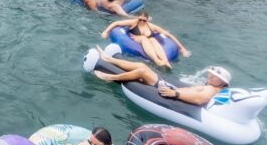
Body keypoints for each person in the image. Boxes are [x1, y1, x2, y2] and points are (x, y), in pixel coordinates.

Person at [93, 46, 231, 105]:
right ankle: (110, 59)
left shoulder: (211, 90)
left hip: (169, 92)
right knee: (142, 66)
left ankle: (109, 77)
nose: (210, 77)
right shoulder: (213, 87)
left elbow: (200, 100)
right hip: (171, 88)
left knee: (142, 71)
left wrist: (175, 94)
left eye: (214, 77)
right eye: (210, 74)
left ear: (222, 82)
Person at [101, 11, 190, 68]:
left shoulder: (151, 26)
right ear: (138, 18)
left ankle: (165, 61)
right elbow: (116, 23)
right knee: (144, 38)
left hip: (149, 42)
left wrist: (182, 48)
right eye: (140, 19)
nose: (142, 22)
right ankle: (157, 61)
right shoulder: (133, 23)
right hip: (136, 40)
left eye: (144, 20)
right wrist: (106, 31)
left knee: (153, 40)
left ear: (147, 20)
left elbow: (168, 35)